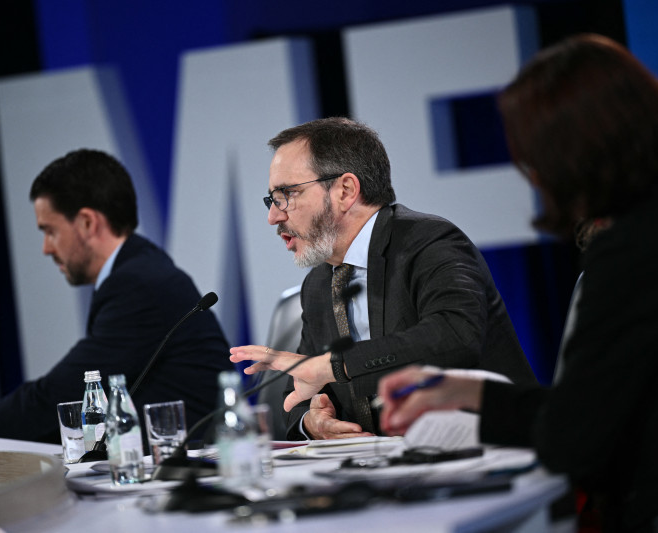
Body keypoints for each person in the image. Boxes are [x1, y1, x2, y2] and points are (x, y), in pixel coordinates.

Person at [377, 35, 658, 531]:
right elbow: (599, 404)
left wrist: (470, 399)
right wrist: (460, 390)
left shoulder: (634, 251)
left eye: (535, 156)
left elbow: (573, 439)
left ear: (573, 152)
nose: (534, 177)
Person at [230, 117, 537, 441]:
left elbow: (455, 337)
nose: (273, 216)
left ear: (345, 191)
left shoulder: (430, 243)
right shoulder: (319, 284)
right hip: (386, 465)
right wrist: (312, 421)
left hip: (489, 450)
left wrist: (333, 366)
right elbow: (302, 389)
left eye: (287, 194)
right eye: (272, 199)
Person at [0, 149, 233, 449]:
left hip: (193, 471)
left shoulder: (139, 284)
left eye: (50, 231)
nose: (46, 248)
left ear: (87, 223)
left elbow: (62, 394)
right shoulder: (138, 270)